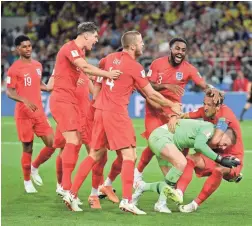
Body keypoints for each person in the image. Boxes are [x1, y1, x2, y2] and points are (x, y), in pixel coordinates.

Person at [63, 30, 182, 214]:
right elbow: (150, 94)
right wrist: (171, 105)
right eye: (141, 42)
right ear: (133, 45)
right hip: (116, 113)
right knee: (130, 156)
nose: (143, 45)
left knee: (94, 155)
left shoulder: (109, 58)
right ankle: (127, 200)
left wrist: (99, 94)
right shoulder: (135, 67)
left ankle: (71, 193)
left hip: (100, 111)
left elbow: (97, 76)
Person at [134, 37, 223, 190]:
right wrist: (166, 86)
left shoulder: (188, 68)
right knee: (154, 140)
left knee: (181, 142)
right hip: (155, 108)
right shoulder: (157, 63)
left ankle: (174, 178)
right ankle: (138, 173)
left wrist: (212, 89)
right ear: (170, 48)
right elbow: (148, 86)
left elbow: (202, 84)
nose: (180, 52)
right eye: (177, 48)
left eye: (183, 50)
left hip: (173, 111)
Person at [49, 22, 122, 194]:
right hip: (63, 100)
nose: (96, 40)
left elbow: (87, 75)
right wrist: (108, 74)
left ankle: (71, 187)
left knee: (76, 143)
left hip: (72, 103)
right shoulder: (70, 48)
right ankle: (66, 187)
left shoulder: (79, 52)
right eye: (95, 36)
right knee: (72, 142)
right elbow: (85, 67)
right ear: (86, 35)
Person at [132, 119, 240, 214]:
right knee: (181, 162)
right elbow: (199, 145)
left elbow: (199, 150)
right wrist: (220, 159)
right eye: (225, 143)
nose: (223, 148)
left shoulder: (210, 135)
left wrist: (227, 165)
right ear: (222, 134)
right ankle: (159, 202)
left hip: (165, 140)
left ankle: (144, 190)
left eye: (226, 147)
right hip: (161, 137)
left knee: (170, 183)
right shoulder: (209, 128)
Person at [172, 90, 244, 213]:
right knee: (190, 159)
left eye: (209, 105)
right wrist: (174, 118)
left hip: (232, 156)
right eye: (204, 103)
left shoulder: (224, 115)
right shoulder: (204, 111)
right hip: (215, 152)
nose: (205, 107)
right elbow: (185, 116)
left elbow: (215, 141)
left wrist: (196, 141)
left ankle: (195, 204)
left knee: (219, 169)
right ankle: (179, 192)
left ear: (217, 106)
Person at [6, 35, 55, 193]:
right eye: (24, 46)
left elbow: (39, 84)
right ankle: (27, 181)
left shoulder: (38, 65)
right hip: (23, 115)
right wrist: (24, 100)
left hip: (39, 112)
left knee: (52, 144)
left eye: (29, 46)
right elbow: (9, 91)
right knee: (28, 148)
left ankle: (34, 167)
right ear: (18, 49)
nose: (28, 49)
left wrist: (49, 84)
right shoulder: (14, 69)